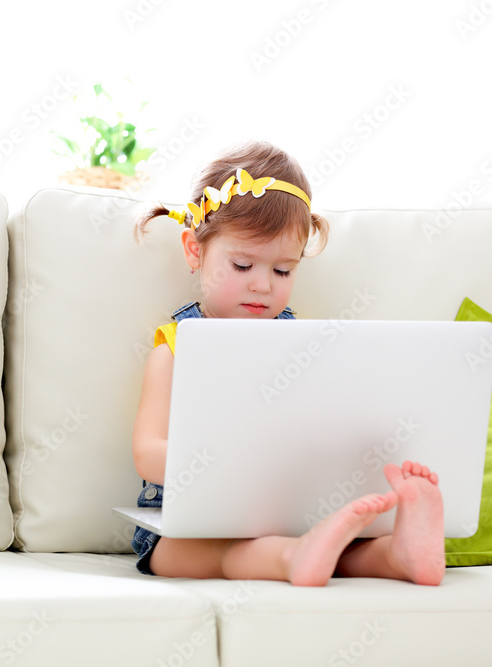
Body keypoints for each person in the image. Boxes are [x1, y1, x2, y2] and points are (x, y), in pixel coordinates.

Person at [130, 141, 445, 586]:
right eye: (242, 265)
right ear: (194, 251)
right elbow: (147, 453)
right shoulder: (176, 347)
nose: (262, 285)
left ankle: (396, 556)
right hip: (190, 521)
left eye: (282, 271)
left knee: (337, 539)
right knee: (198, 553)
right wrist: (228, 463)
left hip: (289, 509)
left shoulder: (304, 344)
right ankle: (292, 558)